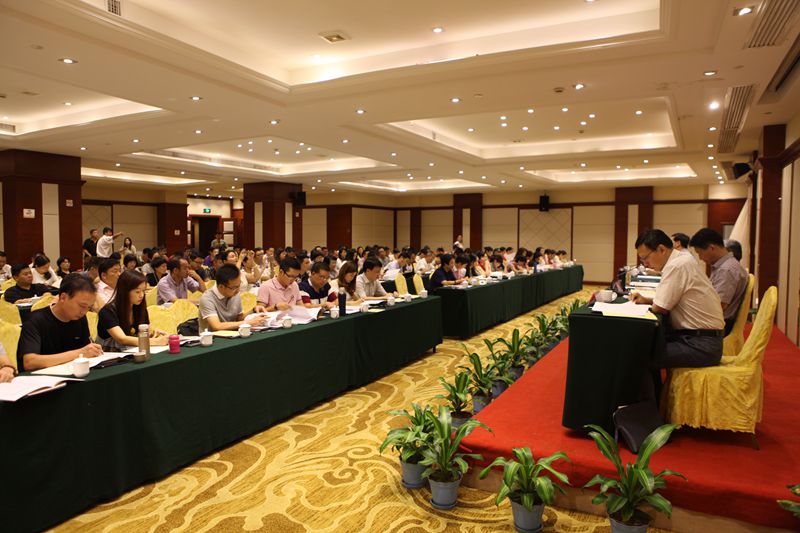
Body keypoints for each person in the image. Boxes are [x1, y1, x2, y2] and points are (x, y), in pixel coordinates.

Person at [630, 229, 724, 368]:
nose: (645, 264)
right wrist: (647, 300)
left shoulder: (677, 265)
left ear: (661, 249)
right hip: (699, 338)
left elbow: (659, 308)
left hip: (701, 345)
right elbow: (669, 299)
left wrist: (652, 303)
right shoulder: (681, 260)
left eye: (645, 258)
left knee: (635, 354)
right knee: (642, 346)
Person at [17, 274, 103, 372]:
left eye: (89, 307)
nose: (84, 312)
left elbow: (86, 350)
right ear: (63, 297)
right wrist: (79, 353)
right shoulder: (35, 320)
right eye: (82, 306)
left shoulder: (80, 318)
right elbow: (30, 362)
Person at [690, 228, 749, 335]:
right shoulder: (723, 266)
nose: (700, 258)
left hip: (718, 327)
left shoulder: (726, 270)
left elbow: (718, 306)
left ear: (711, 248)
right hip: (718, 321)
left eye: (700, 253)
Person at [97, 270, 167, 349]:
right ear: (124, 291)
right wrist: (157, 341)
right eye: (137, 292)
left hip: (133, 350)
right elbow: (122, 339)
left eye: (143, 291)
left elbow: (146, 330)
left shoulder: (139, 308)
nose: (141, 295)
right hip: (110, 353)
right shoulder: (107, 311)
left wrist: (154, 334)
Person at [198, 264, 267, 332]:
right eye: (234, 287)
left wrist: (253, 310)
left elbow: (239, 318)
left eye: (239, 285)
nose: (238, 290)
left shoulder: (234, 293)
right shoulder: (207, 298)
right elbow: (216, 326)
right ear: (221, 287)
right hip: (213, 337)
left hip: (234, 334)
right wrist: (248, 322)